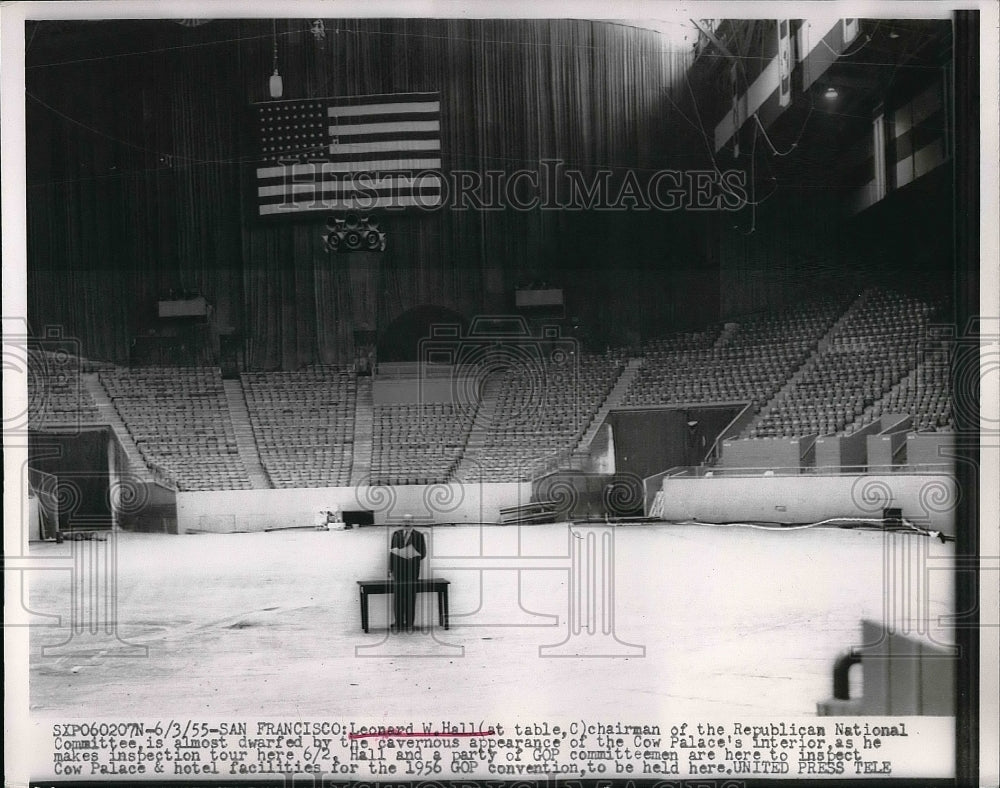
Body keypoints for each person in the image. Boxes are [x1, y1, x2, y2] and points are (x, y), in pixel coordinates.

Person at [388, 514, 426, 632]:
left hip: (412, 571)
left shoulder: (419, 536)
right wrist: (390, 569)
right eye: (405, 520)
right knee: (398, 597)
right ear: (402, 521)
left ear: (413, 522)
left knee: (410, 597)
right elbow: (392, 553)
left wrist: (411, 556)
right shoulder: (396, 534)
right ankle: (398, 622)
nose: (407, 523)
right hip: (398, 571)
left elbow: (423, 553)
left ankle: (409, 623)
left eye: (409, 521)